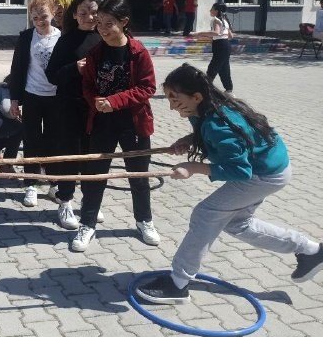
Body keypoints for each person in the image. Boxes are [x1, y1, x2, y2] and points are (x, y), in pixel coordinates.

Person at [136, 64, 323, 303]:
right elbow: (214, 138)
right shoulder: (205, 109)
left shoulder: (219, 123)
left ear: (196, 96)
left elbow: (240, 170)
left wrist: (194, 168)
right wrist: (191, 140)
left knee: (205, 214)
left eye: (175, 99)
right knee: (238, 224)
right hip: (271, 167)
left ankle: (178, 284)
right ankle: (311, 251)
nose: (171, 106)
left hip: (263, 174)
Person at [74, 0, 160, 252]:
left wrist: (115, 100)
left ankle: (144, 220)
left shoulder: (138, 52)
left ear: (123, 22)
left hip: (133, 122)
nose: (102, 28)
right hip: (102, 122)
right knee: (95, 174)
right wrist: (96, 101)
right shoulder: (95, 53)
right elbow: (87, 85)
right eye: (99, 23)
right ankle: (87, 223)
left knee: (138, 175)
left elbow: (148, 87)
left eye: (108, 23)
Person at [44, 0, 103, 230]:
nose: (89, 17)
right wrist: (74, 69)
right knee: (69, 155)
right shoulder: (67, 40)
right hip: (69, 106)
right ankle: (65, 201)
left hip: (97, 109)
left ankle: (90, 204)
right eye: (83, 13)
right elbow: (52, 75)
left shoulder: (105, 37)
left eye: (94, 12)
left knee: (93, 157)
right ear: (75, 15)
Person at [9, 0, 60, 207]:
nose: (40, 21)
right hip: (32, 95)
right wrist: (14, 100)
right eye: (35, 17)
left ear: (54, 13)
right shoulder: (26, 37)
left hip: (56, 97)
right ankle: (30, 184)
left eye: (44, 16)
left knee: (54, 141)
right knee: (31, 140)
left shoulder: (62, 37)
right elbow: (17, 69)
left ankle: (54, 183)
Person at [193, 2, 234, 96]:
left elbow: (216, 33)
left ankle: (205, 89)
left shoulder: (215, 20)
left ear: (216, 11)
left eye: (212, 9)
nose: (210, 11)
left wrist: (199, 33)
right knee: (224, 68)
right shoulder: (225, 19)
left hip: (220, 46)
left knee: (213, 68)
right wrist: (205, 37)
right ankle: (229, 89)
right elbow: (230, 36)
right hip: (226, 45)